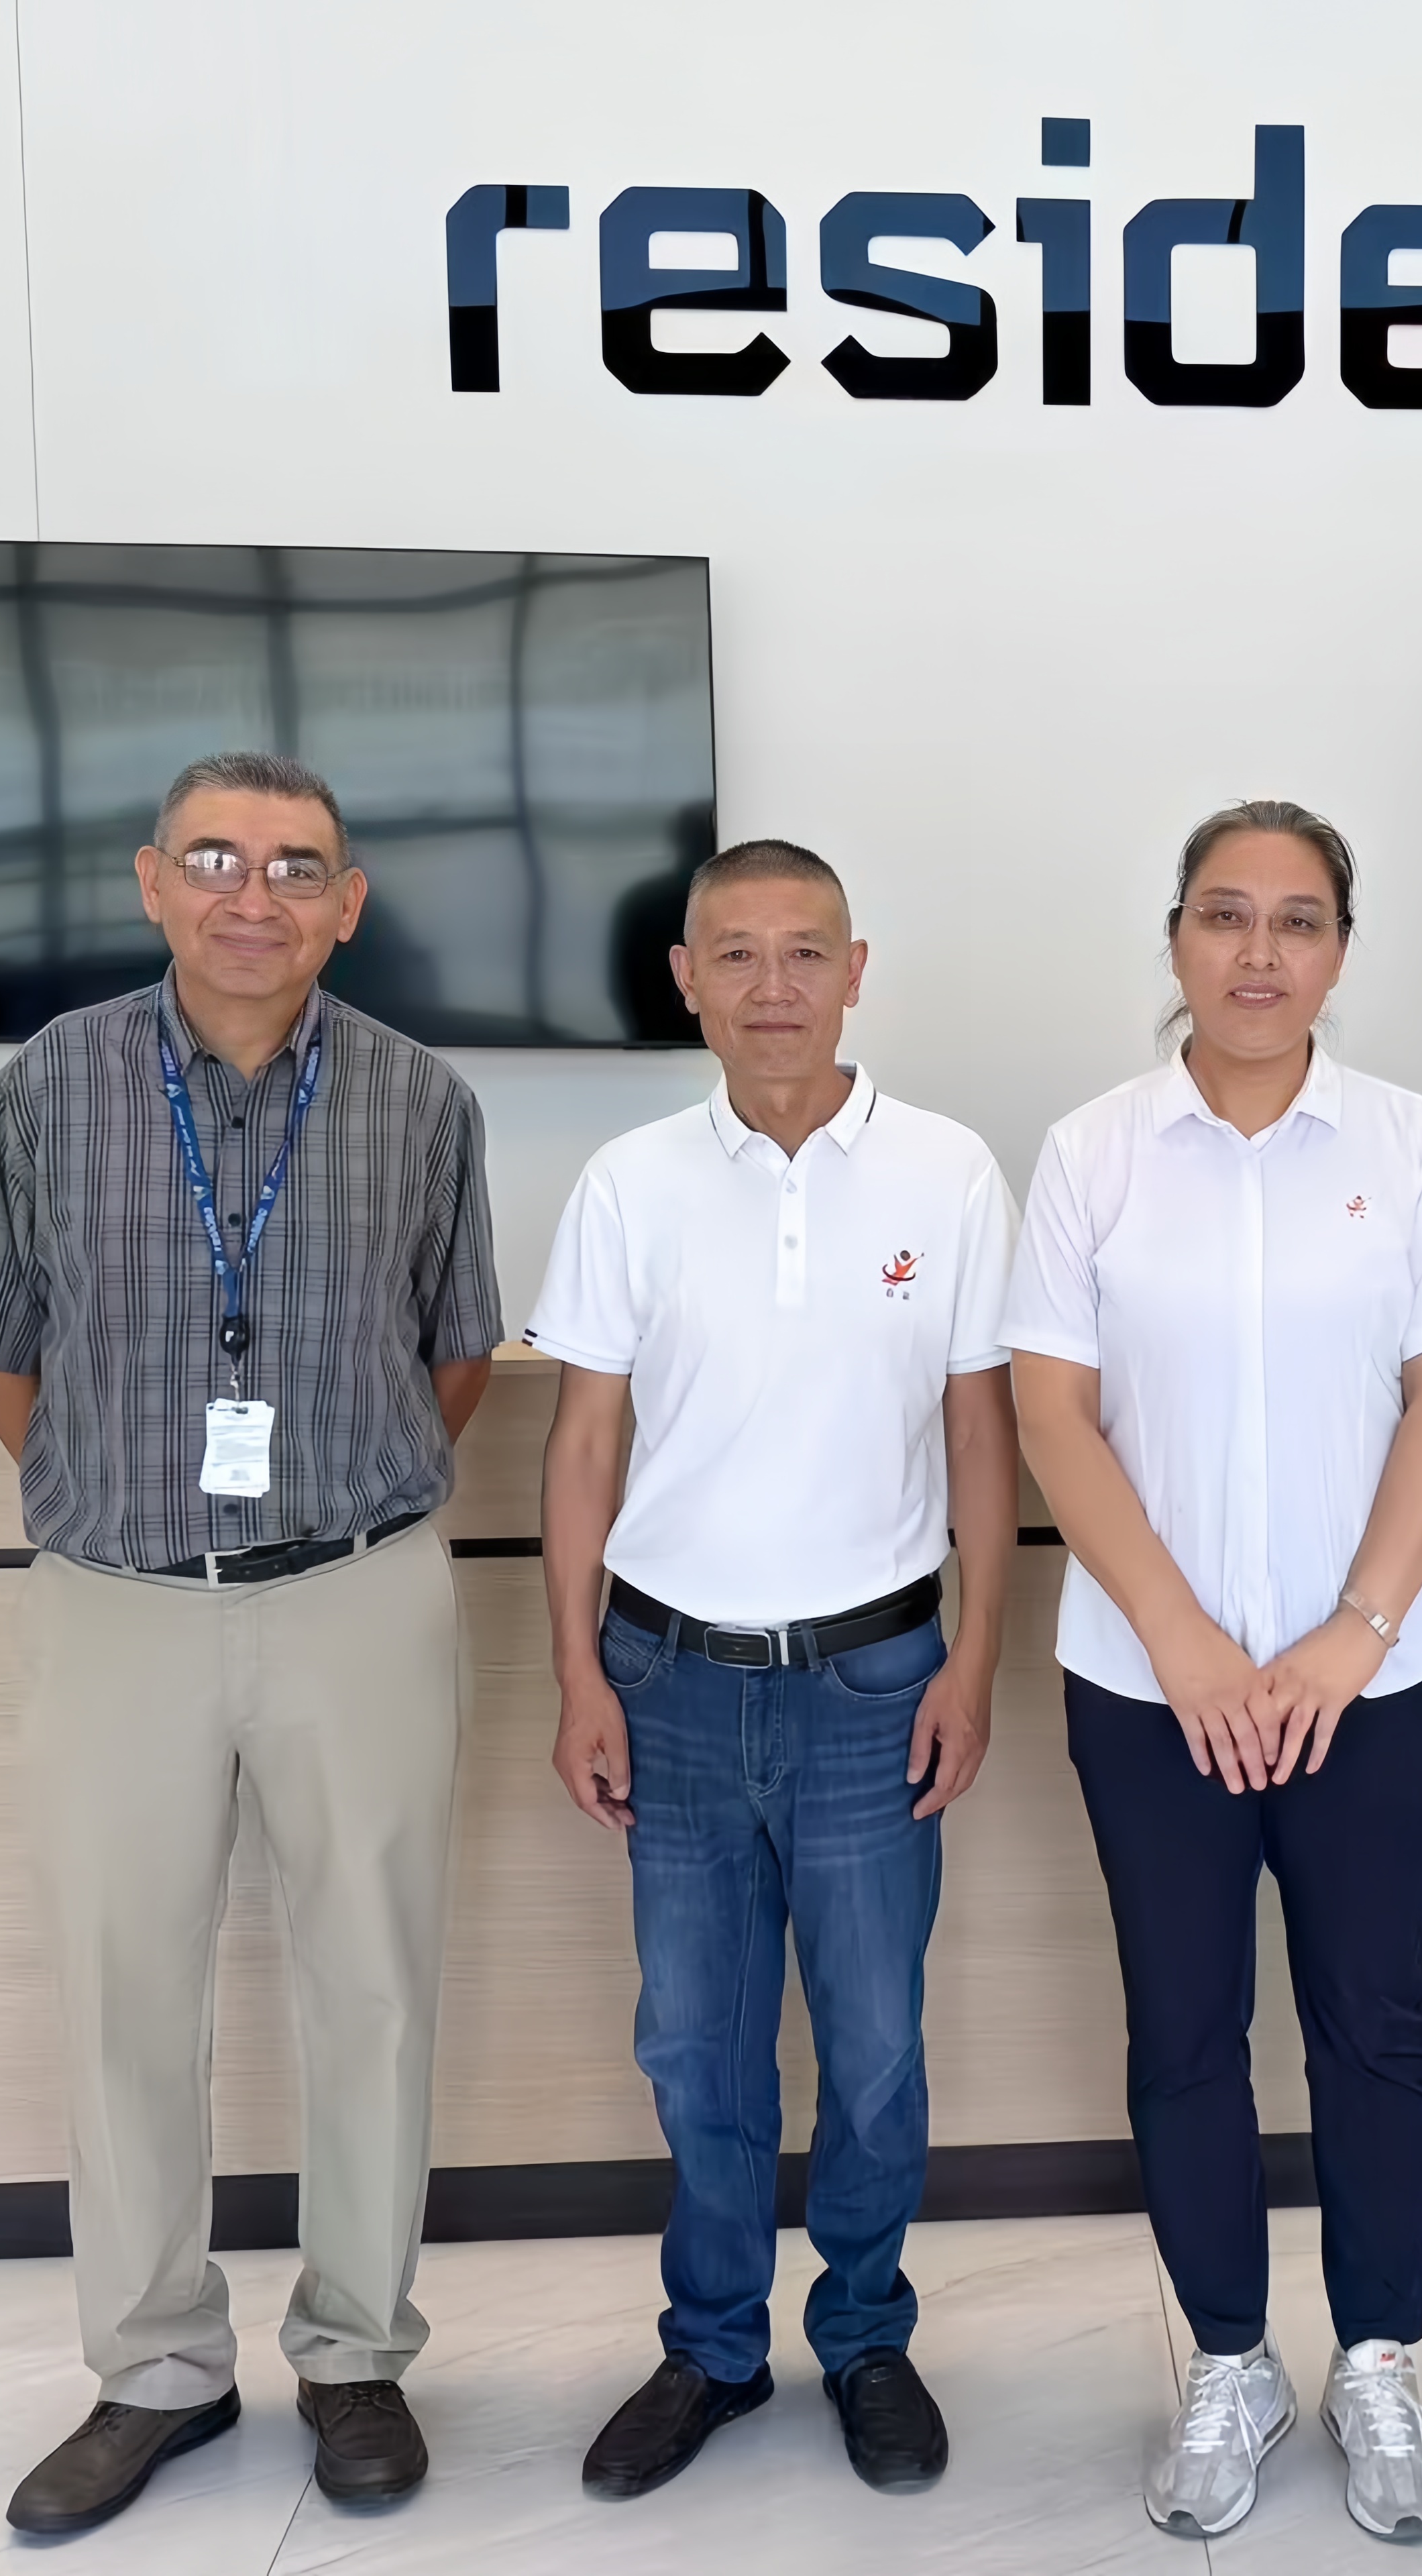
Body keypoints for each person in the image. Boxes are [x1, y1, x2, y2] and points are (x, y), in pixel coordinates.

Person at [0, 749, 502, 2536]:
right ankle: (155, 2369)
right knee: (123, 1991)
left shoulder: (422, 1099)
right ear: (152, 882)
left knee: (376, 1985)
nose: (255, 895)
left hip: (358, 1593)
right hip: (117, 1602)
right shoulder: (51, 1084)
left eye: (296, 866)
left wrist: (328, 1502)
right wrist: (118, 1500)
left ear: (349, 904)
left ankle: (357, 2354)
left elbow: (458, 1353)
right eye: (216, 859)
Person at [1004, 800, 1422, 2545]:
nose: (1260, 952)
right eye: (1226, 916)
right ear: (1176, 939)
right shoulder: (1094, 1152)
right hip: (1151, 1691)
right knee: (1183, 2029)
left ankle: (1376, 2359)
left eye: (1299, 921)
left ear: (1340, 953)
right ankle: (1230, 2358)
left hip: (1373, 1682)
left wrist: (1350, 1635)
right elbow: (1052, 1415)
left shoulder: (1409, 1143)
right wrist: (1187, 1645)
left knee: (1373, 2024)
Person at [529, 839, 1020, 2502]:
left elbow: (980, 1437)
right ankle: (715, 2350)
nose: (772, 988)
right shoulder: (629, 1183)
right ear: (686, 981)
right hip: (668, 1682)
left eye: (805, 952)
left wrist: (974, 1662)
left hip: (876, 1681)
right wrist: (579, 1676)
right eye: (734, 955)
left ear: (856, 971)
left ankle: (866, 2335)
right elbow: (581, 1447)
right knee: (696, 2046)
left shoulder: (948, 1173)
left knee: (874, 2046)